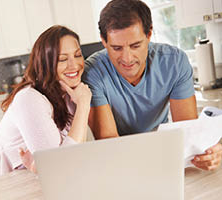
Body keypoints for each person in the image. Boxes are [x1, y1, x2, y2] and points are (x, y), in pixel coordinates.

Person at [82, 0, 222, 171]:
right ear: (103, 41)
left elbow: (186, 131)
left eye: (135, 46)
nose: (127, 58)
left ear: (149, 35)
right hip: (120, 160)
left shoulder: (174, 62)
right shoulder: (92, 72)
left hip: (162, 148)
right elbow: (110, 144)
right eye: (117, 48)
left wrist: (206, 152)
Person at [0, 25, 91, 181]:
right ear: (45, 63)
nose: (74, 65)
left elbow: (74, 154)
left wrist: (44, 166)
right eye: (63, 59)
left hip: (31, 177)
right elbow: (59, 165)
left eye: (78, 55)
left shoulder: (71, 93)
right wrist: (83, 106)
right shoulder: (29, 99)